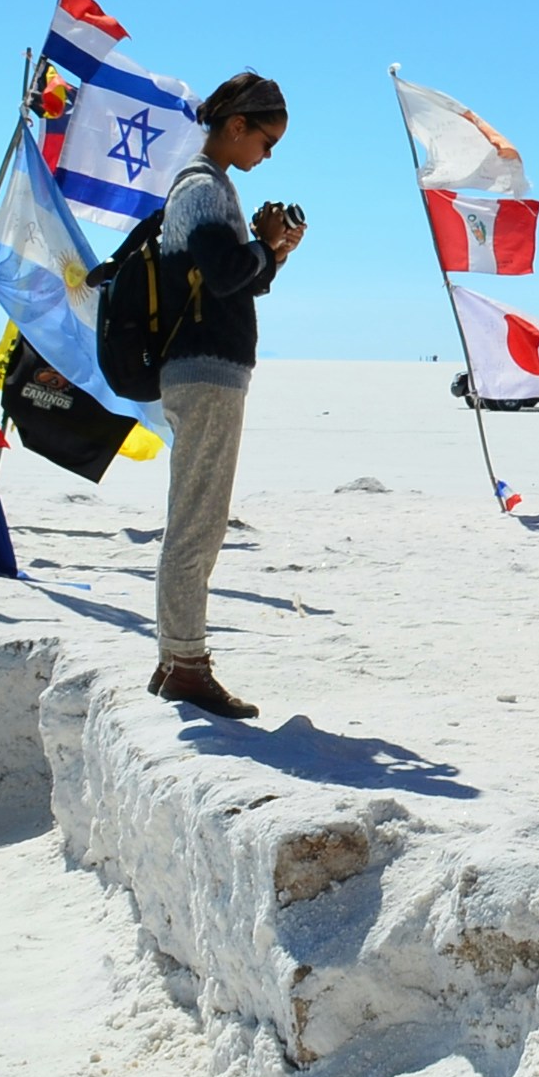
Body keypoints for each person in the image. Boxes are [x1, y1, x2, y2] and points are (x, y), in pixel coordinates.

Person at [148, 71, 305, 720]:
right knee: (198, 521)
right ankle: (185, 664)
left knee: (196, 516)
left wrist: (271, 255)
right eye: (267, 140)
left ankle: (173, 660)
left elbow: (231, 277)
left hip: (203, 371)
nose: (267, 155)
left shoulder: (206, 187)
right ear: (236, 125)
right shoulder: (205, 187)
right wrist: (263, 248)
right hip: (205, 372)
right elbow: (222, 276)